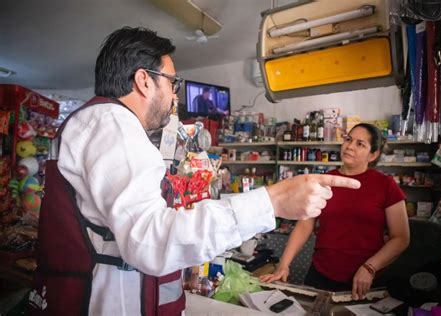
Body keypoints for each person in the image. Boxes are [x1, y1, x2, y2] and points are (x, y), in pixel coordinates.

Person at [30, 26, 361, 315]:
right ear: (144, 80)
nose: (175, 95)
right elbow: (150, 242)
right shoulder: (112, 123)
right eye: (173, 83)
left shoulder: (98, 123)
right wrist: (272, 201)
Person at [260, 123, 410, 300]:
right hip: (321, 275)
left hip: (364, 281)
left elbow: (401, 237)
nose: (350, 146)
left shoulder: (385, 185)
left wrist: (370, 268)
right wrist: (283, 265)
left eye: (360, 144)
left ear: (373, 154)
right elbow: (304, 227)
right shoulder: (323, 181)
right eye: (348, 139)